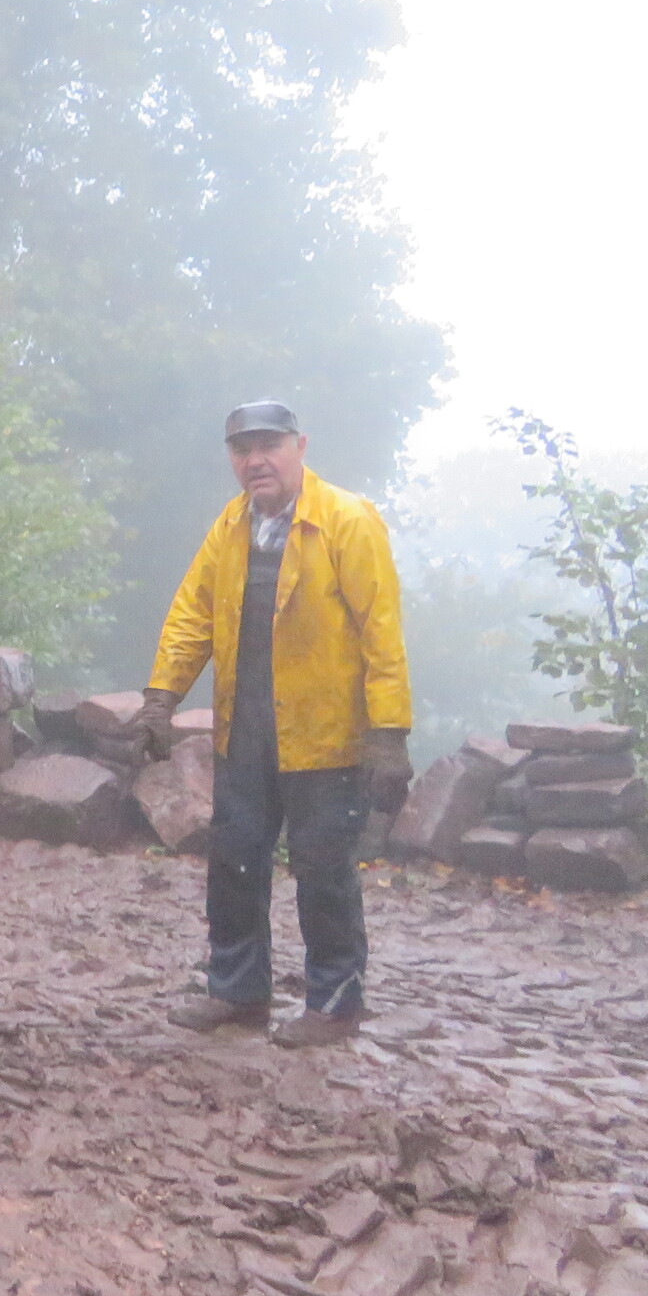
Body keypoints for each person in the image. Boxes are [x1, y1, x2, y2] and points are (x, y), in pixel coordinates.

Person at [141, 401, 412, 1048]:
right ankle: (237, 992)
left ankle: (336, 1003)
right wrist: (161, 697)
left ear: (300, 447)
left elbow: (380, 631)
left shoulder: (347, 520)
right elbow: (193, 614)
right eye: (243, 449)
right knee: (234, 860)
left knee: (323, 868)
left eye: (269, 446)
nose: (255, 460)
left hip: (326, 734)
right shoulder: (232, 524)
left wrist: (388, 733)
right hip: (246, 728)